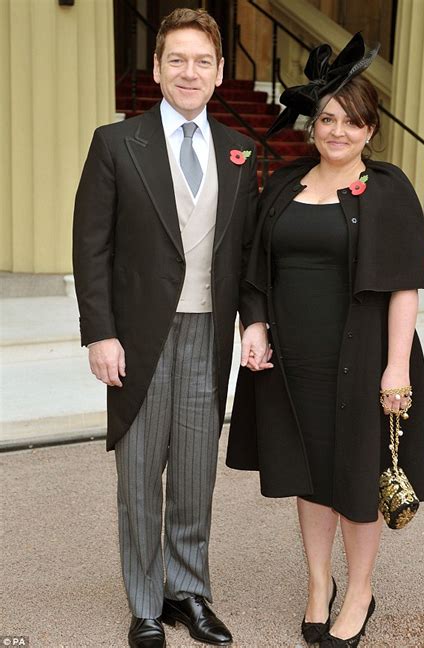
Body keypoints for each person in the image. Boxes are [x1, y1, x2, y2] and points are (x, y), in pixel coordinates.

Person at [226, 33, 424, 647]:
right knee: (308, 472)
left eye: (352, 122)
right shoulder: (284, 185)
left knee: (357, 475)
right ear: (313, 125)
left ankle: (360, 591)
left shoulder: (389, 191)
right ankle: (320, 583)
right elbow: (254, 267)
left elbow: (403, 287)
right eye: (327, 119)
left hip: (365, 357)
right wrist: (254, 324)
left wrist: (396, 367)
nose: (337, 131)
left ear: (371, 130)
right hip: (293, 360)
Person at [73, 8, 270, 648]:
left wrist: (254, 321)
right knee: (138, 476)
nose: (190, 72)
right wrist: (100, 333)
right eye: (177, 60)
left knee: (194, 473)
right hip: (137, 337)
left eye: (203, 61)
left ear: (219, 73)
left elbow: (246, 254)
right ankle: (145, 602)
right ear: (158, 69)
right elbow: (91, 248)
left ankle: (188, 589)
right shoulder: (115, 143)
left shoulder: (241, 152)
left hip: (209, 331)